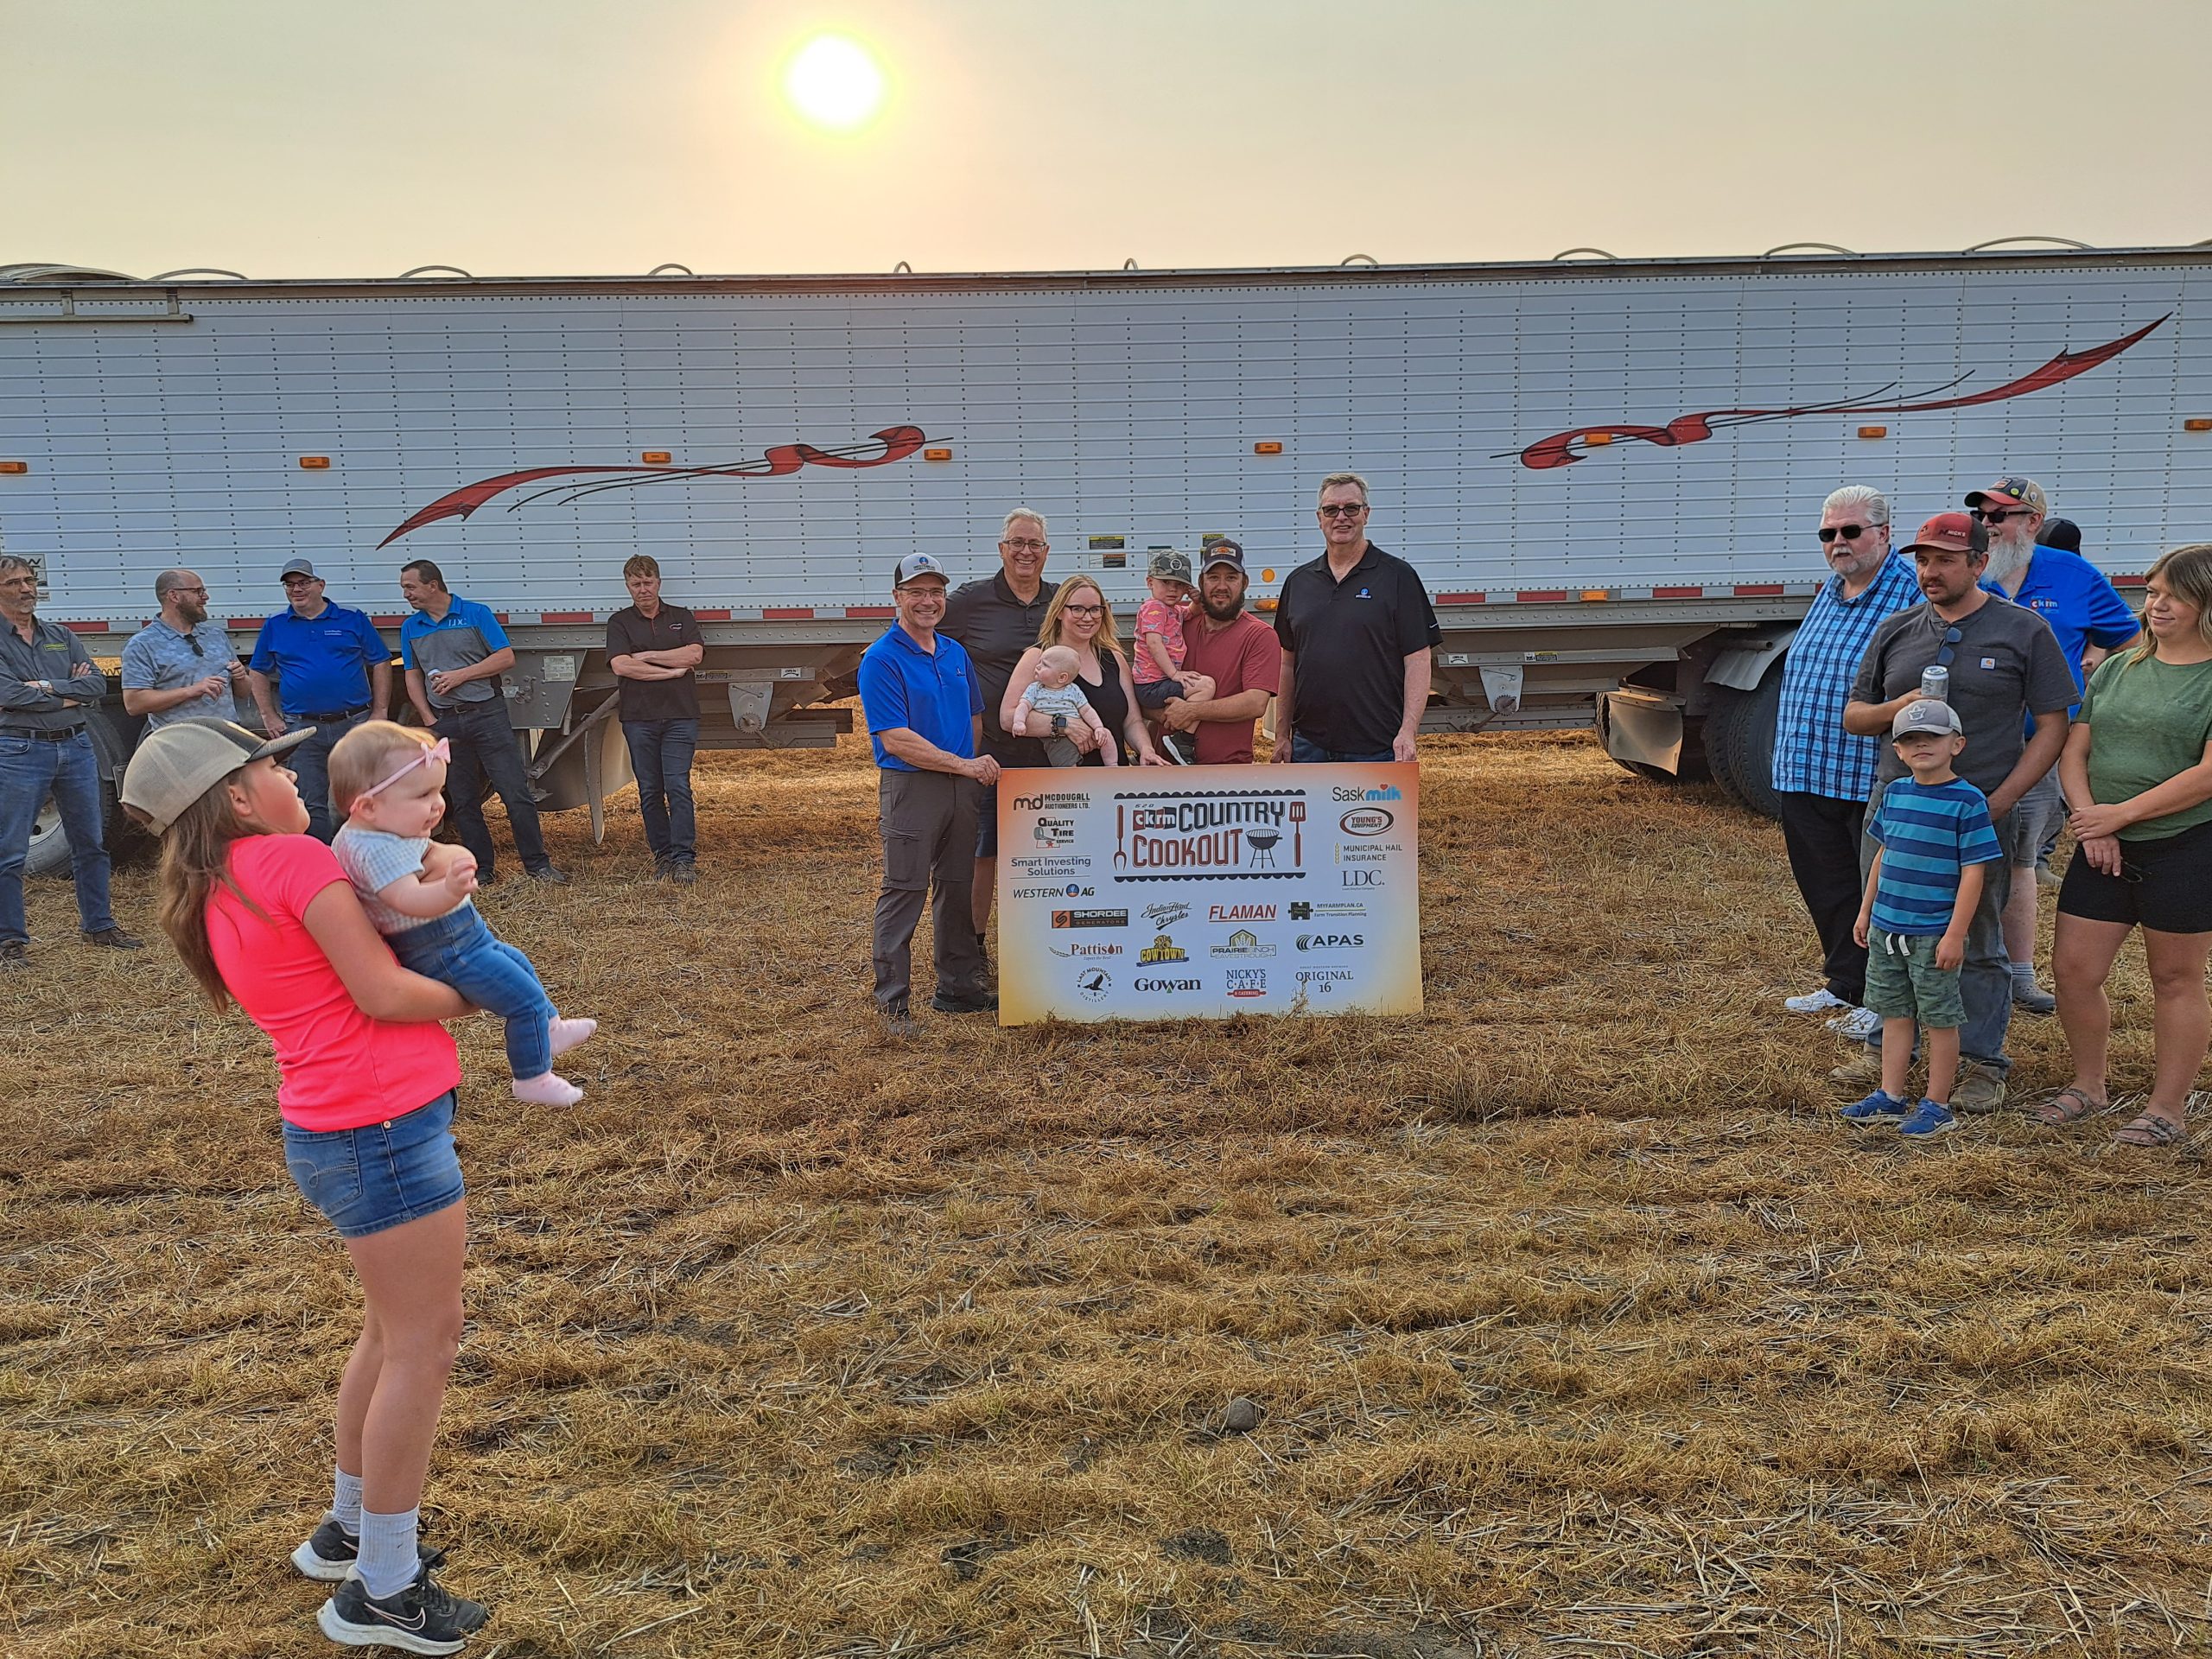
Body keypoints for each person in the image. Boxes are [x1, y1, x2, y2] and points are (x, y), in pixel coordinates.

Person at [117, 717, 490, 1652]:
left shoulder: (215, 882)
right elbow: (383, 993)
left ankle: (351, 1531)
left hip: (336, 1129)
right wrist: (493, 997)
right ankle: (384, 1589)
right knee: (424, 1345)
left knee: (390, 1334)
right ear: (238, 798)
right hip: (382, 1127)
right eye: (273, 769)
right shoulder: (292, 860)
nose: (293, 779)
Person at [1837, 512, 2078, 1112]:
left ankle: (1981, 1062)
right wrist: (1900, 705)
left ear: (1979, 563)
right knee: (1892, 924)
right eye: (1922, 560)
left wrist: (2003, 799)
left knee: (1977, 937)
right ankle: (1890, 1052)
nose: (1930, 571)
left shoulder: (2023, 631)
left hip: (1979, 812)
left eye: (1945, 560)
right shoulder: (1896, 629)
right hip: (1898, 812)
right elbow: (1856, 716)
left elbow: (2054, 725)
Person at [330, 721, 597, 1106]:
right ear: (368, 806)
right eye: (423, 795)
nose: (438, 804)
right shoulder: (375, 848)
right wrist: (449, 889)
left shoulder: (379, 831)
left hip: (461, 936)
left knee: (518, 963)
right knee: (521, 1001)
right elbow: (406, 898)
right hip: (440, 947)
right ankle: (532, 1076)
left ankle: (550, 1028)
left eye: (439, 791)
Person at [2045, 543, 2212, 1148]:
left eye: (2173, 595)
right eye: (2153, 592)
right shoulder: (2119, 667)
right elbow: (2075, 749)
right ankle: (2088, 1086)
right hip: (2104, 844)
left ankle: (2167, 1109)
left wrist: (2121, 815)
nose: (2156, 604)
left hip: (2185, 846)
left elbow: (2208, 775)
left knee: (2175, 978)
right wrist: (2095, 822)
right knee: (2073, 970)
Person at [1967, 476, 2141, 1014]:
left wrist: (2096, 677)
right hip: (1966, 747)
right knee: (1959, 858)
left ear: (2033, 522)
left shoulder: (2074, 574)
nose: (1988, 525)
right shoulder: (1967, 567)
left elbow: (2129, 641)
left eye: (1999, 516)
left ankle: (2018, 976)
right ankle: (1954, 973)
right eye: (1983, 516)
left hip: (2040, 748)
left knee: (2020, 861)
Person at [1771, 486, 1923, 1036]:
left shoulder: (1909, 592)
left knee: (1878, 892)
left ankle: (1885, 998)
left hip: (1867, 772)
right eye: (1828, 533)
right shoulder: (1832, 588)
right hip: (1807, 766)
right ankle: (1845, 982)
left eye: (1851, 531)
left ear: (1884, 534)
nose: (1839, 542)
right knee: (1827, 885)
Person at [1841, 701, 2006, 1138]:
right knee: (1895, 1012)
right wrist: (1866, 910)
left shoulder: (1968, 801)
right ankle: (1890, 1095)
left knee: (1939, 1018)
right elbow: (1883, 853)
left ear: (1957, 744)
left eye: (1932, 737)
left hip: (1933, 933)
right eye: (1910, 740)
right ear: (1897, 750)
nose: (1921, 745)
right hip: (1887, 928)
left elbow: (1974, 873)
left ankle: (1937, 1105)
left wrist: (1955, 934)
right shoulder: (1895, 793)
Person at [857, 554, 1000, 1032]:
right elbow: (896, 738)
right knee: (905, 889)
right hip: (912, 786)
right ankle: (892, 1003)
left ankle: (958, 989)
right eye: (916, 592)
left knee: (957, 884)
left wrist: (965, 769)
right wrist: (962, 764)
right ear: (896, 597)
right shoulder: (881, 658)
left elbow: (974, 717)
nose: (928, 601)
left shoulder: (954, 652)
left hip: (961, 786)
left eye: (936, 592)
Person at [0, 554, 139, 965]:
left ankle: (99, 926)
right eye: (14, 583)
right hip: (21, 750)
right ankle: (10, 940)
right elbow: (8, 694)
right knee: (10, 851)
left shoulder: (60, 634)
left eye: (30, 580)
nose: (26, 589)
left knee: (90, 843)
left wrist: (44, 687)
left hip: (76, 747)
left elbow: (95, 685)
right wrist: (66, 692)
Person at [397, 559, 566, 885]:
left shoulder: (476, 614)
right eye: (404, 588)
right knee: (463, 800)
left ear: (433, 585)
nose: (406, 594)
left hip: (487, 715)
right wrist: (430, 718)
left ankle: (537, 865)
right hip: (446, 722)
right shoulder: (410, 627)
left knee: (514, 793)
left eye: (410, 587)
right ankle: (482, 870)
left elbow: (505, 657)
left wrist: (460, 676)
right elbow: (412, 674)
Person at [1270, 472, 1440, 764]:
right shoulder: (1298, 582)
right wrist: (1282, 735)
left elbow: (1418, 659)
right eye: (1331, 510)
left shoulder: (1398, 577)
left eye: (1351, 508)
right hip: (1309, 746)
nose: (1341, 517)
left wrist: (1408, 731)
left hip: (1377, 747)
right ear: (1319, 518)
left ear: (1366, 514)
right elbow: (1287, 664)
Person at [943, 509, 1053, 944]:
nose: (1026, 552)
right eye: (1017, 543)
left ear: (1046, 551)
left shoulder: (1060, 601)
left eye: (1034, 544)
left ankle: (1042, 944)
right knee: (982, 851)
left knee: (1049, 852)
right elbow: (925, 641)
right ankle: (974, 946)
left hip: (1051, 752)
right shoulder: (970, 601)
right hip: (989, 750)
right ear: (1002, 549)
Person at [244, 559, 392, 842]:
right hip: (303, 728)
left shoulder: (351, 618)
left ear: (320, 585)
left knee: (362, 798)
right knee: (310, 803)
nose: (296, 590)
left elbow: (382, 661)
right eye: (290, 585)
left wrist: (380, 711)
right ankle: (322, 859)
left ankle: (360, 858)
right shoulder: (276, 624)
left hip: (354, 723)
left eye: (303, 583)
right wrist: (268, 715)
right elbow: (258, 670)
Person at [999, 576, 1172, 771]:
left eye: (1095, 609)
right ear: (1059, 612)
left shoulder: (1114, 659)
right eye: (1078, 609)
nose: (1088, 618)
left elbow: (1132, 720)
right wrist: (1063, 725)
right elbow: (1008, 718)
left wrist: (1146, 749)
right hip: (1056, 783)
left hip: (1112, 779)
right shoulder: (1038, 658)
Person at [604, 554, 705, 882]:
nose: (643, 589)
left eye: (648, 582)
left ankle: (684, 859)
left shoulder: (681, 616)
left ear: (659, 583)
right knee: (650, 790)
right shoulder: (619, 622)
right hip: (639, 719)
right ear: (627, 586)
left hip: (680, 716)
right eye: (636, 584)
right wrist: (671, 672)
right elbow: (621, 666)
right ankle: (663, 857)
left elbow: (694, 654)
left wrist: (648, 656)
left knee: (678, 786)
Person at [1159, 541, 1283, 766]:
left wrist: (1191, 711)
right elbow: (1144, 686)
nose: (1222, 586)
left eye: (1231, 578)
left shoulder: (1260, 636)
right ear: (1201, 582)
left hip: (1225, 773)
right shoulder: (1176, 627)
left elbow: (1255, 703)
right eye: (1214, 577)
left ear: (1244, 583)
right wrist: (1168, 714)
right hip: (1161, 767)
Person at [120, 568, 246, 731]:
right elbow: (134, 704)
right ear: (174, 596)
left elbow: (244, 693)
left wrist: (241, 677)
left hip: (226, 737)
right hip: (180, 740)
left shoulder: (216, 635)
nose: (205, 597)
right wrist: (192, 691)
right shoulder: (142, 644)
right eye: (197, 591)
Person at [1129, 550, 1215, 762]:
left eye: (1179, 585)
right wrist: (1174, 674)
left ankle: (1157, 743)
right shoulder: (1154, 608)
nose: (1172, 589)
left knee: (1200, 687)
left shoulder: (1173, 610)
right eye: (1166, 582)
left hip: (1157, 682)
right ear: (1150, 582)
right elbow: (1154, 643)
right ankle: (1184, 739)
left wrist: (1197, 600)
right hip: (1152, 684)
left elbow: (1192, 612)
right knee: (1206, 685)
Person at [1011, 645, 1118, 766]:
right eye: (1039, 662)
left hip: (1083, 728)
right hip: (1056, 736)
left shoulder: (1073, 690)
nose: (1038, 666)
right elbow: (1024, 706)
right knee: (1062, 753)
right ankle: (1071, 775)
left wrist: (1098, 727)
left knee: (1106, 735)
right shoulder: (1035, 688)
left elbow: (1087, 710)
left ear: (1062, 677)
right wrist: (1019, 722)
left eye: (1045, 665)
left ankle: (1112, 765)